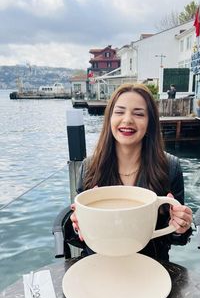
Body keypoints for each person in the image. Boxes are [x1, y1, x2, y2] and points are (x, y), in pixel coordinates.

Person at [70, 83, 192, 261]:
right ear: (109, 119)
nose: (127, 120)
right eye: (119, 112)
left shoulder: (170, 167)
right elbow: (80, 238)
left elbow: (177, 237)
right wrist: (78, 225)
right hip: (100, 264)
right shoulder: (89, 167)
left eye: (138, 113)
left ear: (150, 121)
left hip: (153, 266)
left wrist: (181, 226)